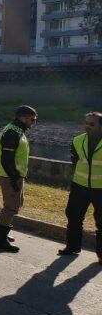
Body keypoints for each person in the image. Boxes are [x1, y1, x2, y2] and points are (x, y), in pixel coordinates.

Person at [0, 105, 38, 252]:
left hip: (10, 174)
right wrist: (14, 179)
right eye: (32, 119)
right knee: (11, 207)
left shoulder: (17, 129)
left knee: (16, 204)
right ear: (23, 118)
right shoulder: (12, 132)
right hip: (8, 175)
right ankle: (0, 240)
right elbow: (7, 159)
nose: (33, 122)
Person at [58, 111, 102, 264]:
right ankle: (72, 247)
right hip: (80, 186)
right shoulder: (77, 140)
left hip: (100, 189)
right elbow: (74, 159)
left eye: (92, 124)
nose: (87, 127)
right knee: (73, 217)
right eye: (86, 123)